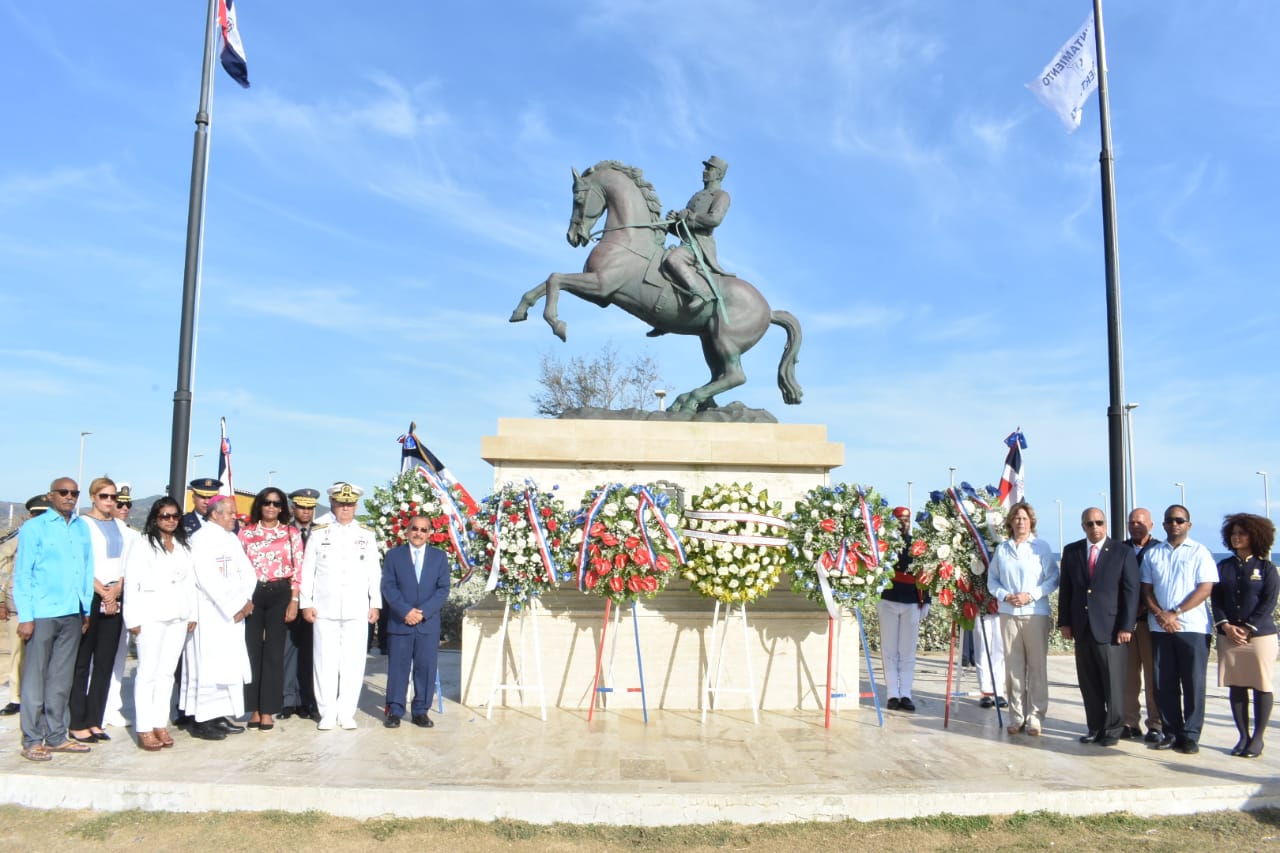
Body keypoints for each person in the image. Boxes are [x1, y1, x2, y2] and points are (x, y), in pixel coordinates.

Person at [12, 478, 94, 762]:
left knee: (61, 678)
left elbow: (86, 569)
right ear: (51, 496)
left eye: (74, 493)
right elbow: (22, 575)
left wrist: (85, 608)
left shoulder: (81, 527)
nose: (69, 497)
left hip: (72, 612)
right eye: (63, 492)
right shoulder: (34, 528)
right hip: (42, 612)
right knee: (35, 678)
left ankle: (57, 735)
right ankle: (33, 738)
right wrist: (26, 616)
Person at [299, 482, 381, 730]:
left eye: (350, 504)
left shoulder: (366, 534)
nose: (345, 508)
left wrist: (375, 603)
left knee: (353, 663)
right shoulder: (319, 532)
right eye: (341, 503)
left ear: (356, 505)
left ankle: (346, 712)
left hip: (356, 608)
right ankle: (326, 712)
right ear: (333, 504)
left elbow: (373, 572)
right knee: (324, 662)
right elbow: (308, 570)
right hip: (325, 607)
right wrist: (306, 602)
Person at [1058, 507, 1140, 746]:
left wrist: (1127, 626)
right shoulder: (1072, 551)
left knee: (1113, 683)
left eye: (1099, 522)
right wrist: (1065, 621)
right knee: (1089, 683)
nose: (1095, 527)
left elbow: (1131, 592)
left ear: (1106, 525)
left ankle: (1113, 730)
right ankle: (1094, 727)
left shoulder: (1122, 552)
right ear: (1083, 526)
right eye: (1089, 524)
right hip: (1082, 628)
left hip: (1112, 629)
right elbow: (1067, 590)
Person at [1140, 504, 1217, 754]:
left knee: (1193, 683)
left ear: (1188, 524)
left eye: (1180, 520)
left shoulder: (1200, 552)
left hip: (1192, 627)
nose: (1175, 524)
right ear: (1163, 525)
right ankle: (1171, 732)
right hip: (1160, 628)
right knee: (1164, 684)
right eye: (1170, 520)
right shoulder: (1154, 554)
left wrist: (1177, 613)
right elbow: (1146, 590)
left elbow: (1205, 588)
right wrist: (1161, 614)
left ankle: (1191, 735)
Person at [123, 498, 197, 751]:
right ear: (155, 517)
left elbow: (189, 583)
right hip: (150, 616)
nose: (170, 520)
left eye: (175, 516)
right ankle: (143, 727)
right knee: (147, 674)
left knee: (166, 674)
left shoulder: (182, 546)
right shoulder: (142, 545)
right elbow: (132, 584)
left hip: (178, 616)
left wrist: (192, 614)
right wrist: (132, 619)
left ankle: (159, 723)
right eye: (165, 515)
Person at [68, 477, 138, 743]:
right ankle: (78, 721)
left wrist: (117, 588)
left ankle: (95, 720)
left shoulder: (120, 526)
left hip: (115, 596)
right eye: (104, 497)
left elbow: (125, 563)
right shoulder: (82, 525)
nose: (110, 502)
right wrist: (103, 591)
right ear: (93, 497)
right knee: (83, 661)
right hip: (91, 596)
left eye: (113, 498)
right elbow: (80, 565)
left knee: (106, 662)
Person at [181, 495, 254, 741]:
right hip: (212, 613)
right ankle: (202, 718)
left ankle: (219, 713)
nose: (235, 516)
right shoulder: (201, 539)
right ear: (215, 514)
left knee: (227, 665)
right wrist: (234, 606)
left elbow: (247, 572)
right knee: (208, 665)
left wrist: (246, 601)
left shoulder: (231, 538)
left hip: (234, 614)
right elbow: (207, 579)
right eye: (230, 512)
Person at [987, 501, 1059, 736]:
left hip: (1035, 614)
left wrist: (1031, 595)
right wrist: (1005, 595)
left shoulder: (1041, 547)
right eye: (1017, 518)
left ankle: (1035, 717)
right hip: (1009, 613)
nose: (1020, 522)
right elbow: (992, 580)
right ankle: (1017, 716)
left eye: (1024, 518)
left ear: (1031, 522)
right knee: (1013, 668)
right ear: (1010, 522)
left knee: (1037, 667)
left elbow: (1052, 579)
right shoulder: (1003, 549)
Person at [238, 487, 304, 731]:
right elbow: (238, 567)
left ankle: (267, 710)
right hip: (253, 594)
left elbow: (299, 568)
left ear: (282, 508)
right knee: (252, 651)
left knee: (275, 653)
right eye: (267, 502)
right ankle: (253, 708)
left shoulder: (291, 533)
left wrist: (294, 600)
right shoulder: (245, 533)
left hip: (280, 593)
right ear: (259, 505)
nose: (271, 507)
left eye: (277, 503)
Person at [1211, 513, 1278, 758]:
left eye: (1242, 533)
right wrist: (1226, 626)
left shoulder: (1266, 568)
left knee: (1261, 685)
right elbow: (1216, 599)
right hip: (1229, 636)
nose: (1236, 537)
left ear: (1255, 536)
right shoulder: (1224, 567)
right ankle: (1243, 736)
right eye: (1234, 533)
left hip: (1260, 638)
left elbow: (1268, 602)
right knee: (1236, 686)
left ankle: (1258, 738)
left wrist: (1249, 628)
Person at [381, 514, 451, 728]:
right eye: (415, 529)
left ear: (429, 533)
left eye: (423, 530)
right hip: (401, 622)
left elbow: (443, 588)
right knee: (398, 669)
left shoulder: (439, 557)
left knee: (425, 668)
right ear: (407, 531)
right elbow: (388, 587)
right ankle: (395, 710)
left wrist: (423, 612)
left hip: (427, 624)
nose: (418, 533)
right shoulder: (394, 556)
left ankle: (420, 711)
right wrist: (406, 611)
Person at [0, 495, 52, 717]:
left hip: (48, 606)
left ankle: (44, 697)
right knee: (18, 654)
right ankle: (16, 697)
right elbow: (3, 567)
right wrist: (1, 600)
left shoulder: (55, 537)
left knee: (47, 656)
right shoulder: (19, 537)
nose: (39, 518)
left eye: (44, 514)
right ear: (30, 515)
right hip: (19, 606)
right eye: (36, 514)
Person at [660, 156, 733, 311]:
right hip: (686, 242)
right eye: (705, 168)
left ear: (719, 174)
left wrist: (688, 216)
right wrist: (673, 223)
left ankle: (699, 294)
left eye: (709, 169)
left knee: (673, 260)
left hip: (699, 245)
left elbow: (715, 219)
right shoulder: (697, 195)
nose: (705, 171)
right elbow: (686, 227)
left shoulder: (722, 195)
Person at [878, 506, 929, 712]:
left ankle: (906, 693)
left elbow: (926, 572)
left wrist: (926, 600)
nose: (903, 523)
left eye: (906, 519)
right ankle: (892, 694)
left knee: (907, 651)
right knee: (889, 650)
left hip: (911, 599)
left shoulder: (917, 545)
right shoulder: (884, 544)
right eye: (899, 519)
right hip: (888, 598)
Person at [1122, 507, 1162, 743]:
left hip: (1151, 623)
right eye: (1132, 522)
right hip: (1127, 624)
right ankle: (1129, 722)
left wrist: (1147, 607)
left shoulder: (1159, 550)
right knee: (1128, 677)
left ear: (1151, 524)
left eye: (1140, 522)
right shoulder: (1120, 549)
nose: (1136, 525)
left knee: (1152, 677)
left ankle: (1155, 724)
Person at [280, 487, 321, 721]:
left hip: (314, 601)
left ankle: (308, 699)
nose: (306, 512)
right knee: (287, 649)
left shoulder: (321, 533)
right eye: (301, 507)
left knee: (311, 651)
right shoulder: (284, 533)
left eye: (310, 507)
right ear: (293, 508)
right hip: (288, 598)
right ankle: (287, 700)